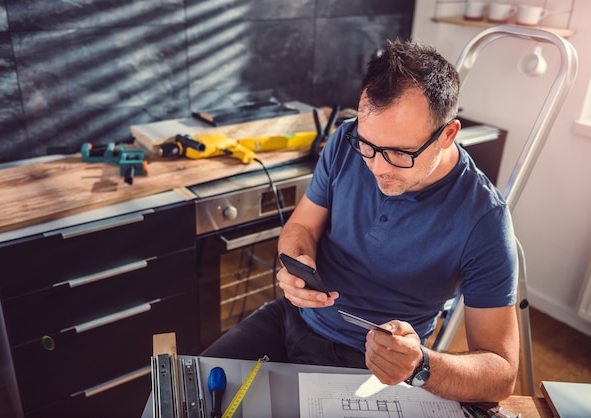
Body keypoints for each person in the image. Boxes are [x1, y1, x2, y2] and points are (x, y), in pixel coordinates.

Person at [202, 39, 519, 403]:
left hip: (371, 367)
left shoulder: (485, 220)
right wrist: (297, 263)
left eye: (400, 153)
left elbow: (501, 374)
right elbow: (301, 227)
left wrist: (420, 365)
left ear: (448, 135)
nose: (378, 168)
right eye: (368, 146)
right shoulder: (345, 140)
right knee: (189, 394)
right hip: (291, 319)